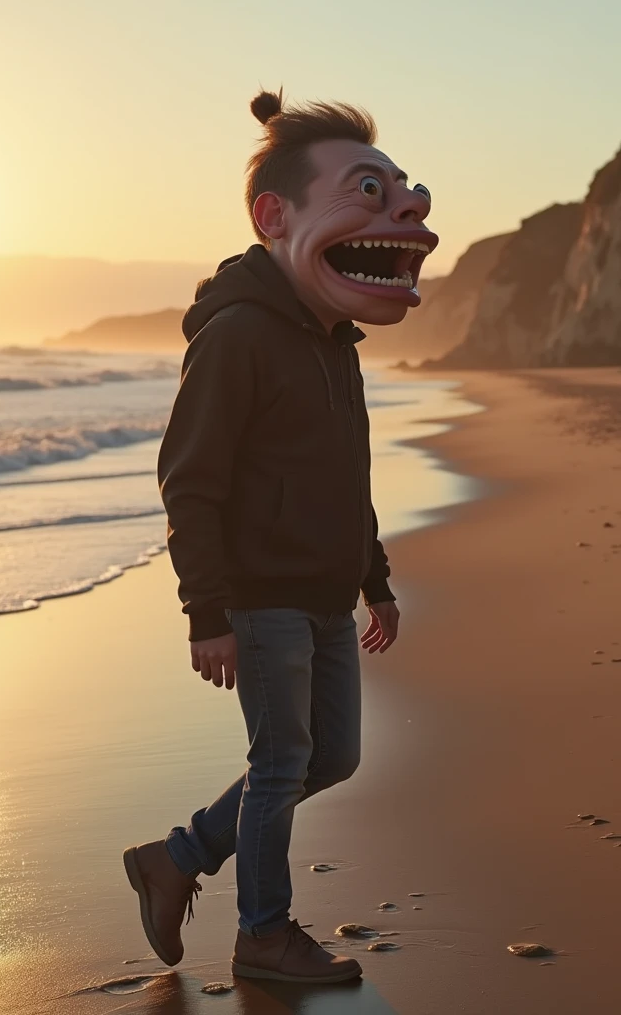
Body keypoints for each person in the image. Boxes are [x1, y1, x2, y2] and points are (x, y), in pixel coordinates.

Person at [124, 89, 438, 985]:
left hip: (327, 591)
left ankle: (175, 856)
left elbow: (351, 477)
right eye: (364, 192)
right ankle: (263, 934)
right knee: (282, 761)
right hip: (260, 598)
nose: (399, 213)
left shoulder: (335, 339)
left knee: (331, 755)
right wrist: (206, 612)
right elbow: (189, 480)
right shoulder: (237, 337)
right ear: (276, 216)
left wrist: (374, 579)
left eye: (396, 192)